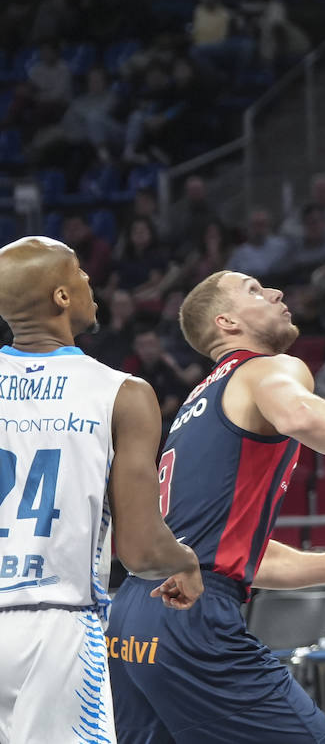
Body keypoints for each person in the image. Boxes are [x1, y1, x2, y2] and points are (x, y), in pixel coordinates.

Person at [106, 268, 325, 743]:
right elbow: (300, 414)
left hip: (134, 617)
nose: (275, 292)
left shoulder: (196, 404)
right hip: (192, 609)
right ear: (227, 323)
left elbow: (242, 557)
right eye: (254, 290)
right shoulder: (264, 368)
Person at [0, 237, 202, 743]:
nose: (91, 281)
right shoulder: (121, 393)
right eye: (80, 272)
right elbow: (140, 551)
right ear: (61, 296)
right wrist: (184, 562)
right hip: (56, 624)